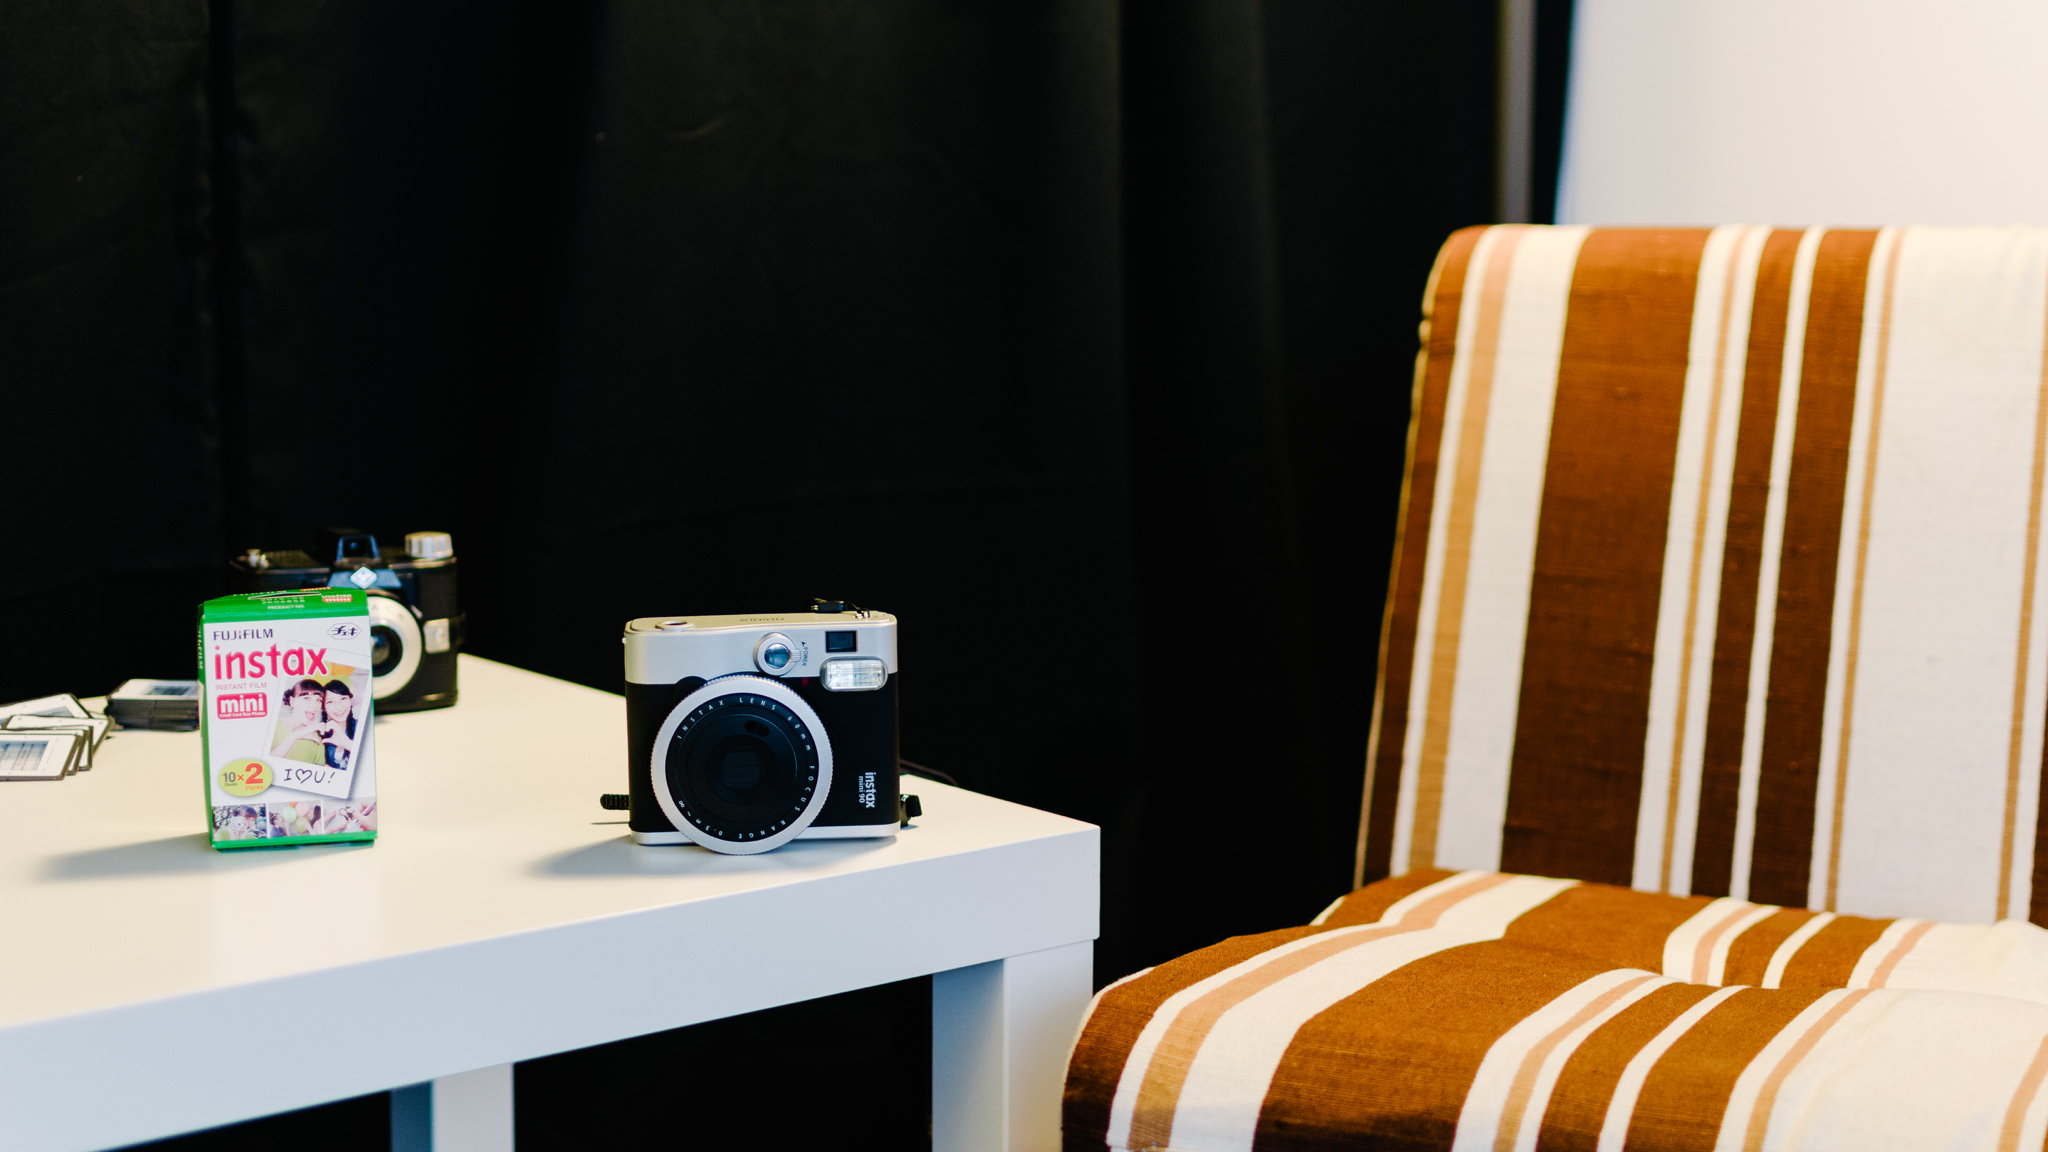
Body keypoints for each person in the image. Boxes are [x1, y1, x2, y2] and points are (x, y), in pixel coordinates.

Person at [270, 679, 331, 764]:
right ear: (292, 702)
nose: (314, 705)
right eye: (306, 698)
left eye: (319, 700)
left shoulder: (316, 740)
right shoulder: (271, 724)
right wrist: (294, 736)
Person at [320, 679, 360, 770]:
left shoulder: (363, 727)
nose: (338, 706)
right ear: (324, 708)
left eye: (343, 698)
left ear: (350, 700)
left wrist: (349, 745)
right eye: (330, 701)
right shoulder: (319, 734)